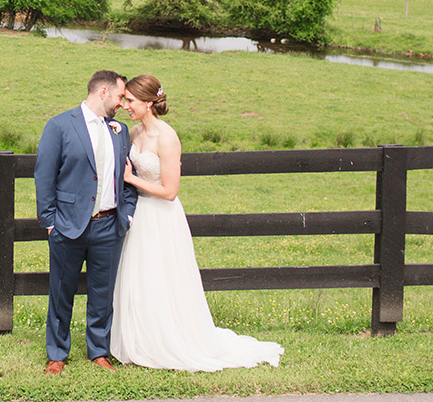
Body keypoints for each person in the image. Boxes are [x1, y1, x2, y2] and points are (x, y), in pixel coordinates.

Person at [111, 74, 284, 371]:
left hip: (161, 217)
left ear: (149, 103)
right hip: (138, 213)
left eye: (131, 100)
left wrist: (131, 178)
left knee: (162, 278)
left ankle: (168, 341)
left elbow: (169, 190)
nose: (125, 105)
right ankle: (139, 339)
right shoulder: (133, 133)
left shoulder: (167, 137)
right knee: (138, 277)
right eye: (125, 99)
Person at [34, 70, 139, 375]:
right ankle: (57, 354)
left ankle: (99, 351)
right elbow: (44, 176)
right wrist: (51, 222)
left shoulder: (120, 131)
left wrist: (127, 215)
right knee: (61, 292)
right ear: (103, 92)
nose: (123, 103)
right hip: (68, 226)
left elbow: (129, 177)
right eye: (121, 96)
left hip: (109, 226)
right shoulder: (59, 125)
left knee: (103, 294)